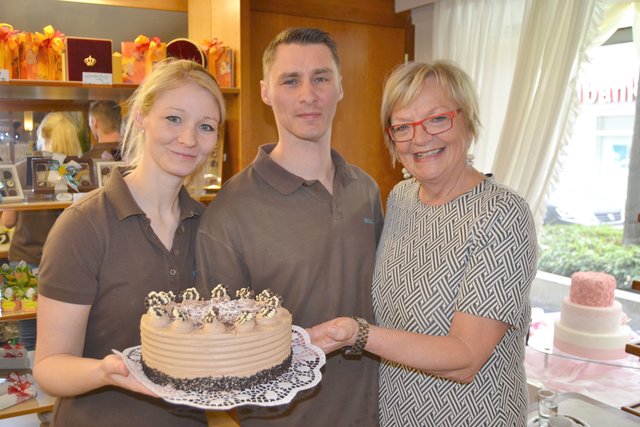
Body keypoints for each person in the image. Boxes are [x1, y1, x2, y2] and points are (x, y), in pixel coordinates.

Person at [308, 61, 538, 426]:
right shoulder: (401, 198)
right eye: (403, 126)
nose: (419, 138)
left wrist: (357, 333)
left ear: (468, 121)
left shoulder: (502, 213)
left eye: (436, 119)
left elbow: (464, 359)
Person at [196, 27, 383, 426]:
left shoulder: (365, 190)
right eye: (290, 80)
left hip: (374, 412)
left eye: (321, 78)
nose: (308, 95)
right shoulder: (229, 212)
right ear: (266, 92)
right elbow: (221, 353)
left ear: (340, 87)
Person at [33, 58, 226, 427]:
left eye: (206, 126)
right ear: (141, 116)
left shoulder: (211, 225)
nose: (189, 139)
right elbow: (48, 368)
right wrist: (107, 371)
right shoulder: (84, 227)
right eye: (174, 118)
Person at [1, 112, 83, 350]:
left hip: (24, 259)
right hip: (64, 262)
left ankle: (34, 384)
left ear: (41, 136)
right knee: (63, 331)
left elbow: (8, 220)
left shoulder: (18, 168)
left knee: (29, 332)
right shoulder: (75, 171)